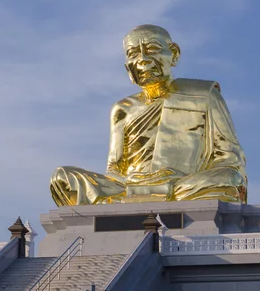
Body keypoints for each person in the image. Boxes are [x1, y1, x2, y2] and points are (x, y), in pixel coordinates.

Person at [50, 24, 247, 206]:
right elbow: (115, 170)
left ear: (174, 54)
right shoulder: (123, 108)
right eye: (133, 53)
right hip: (131, 185)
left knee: (230, 179)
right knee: (63, 178)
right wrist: (133, 183)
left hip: (181, 183)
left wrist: (174, 179)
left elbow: (229, 158)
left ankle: (133, 200)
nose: (143, 58)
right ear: (127, 65)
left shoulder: (202, 94)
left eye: (152, 49)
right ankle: (143, 196)